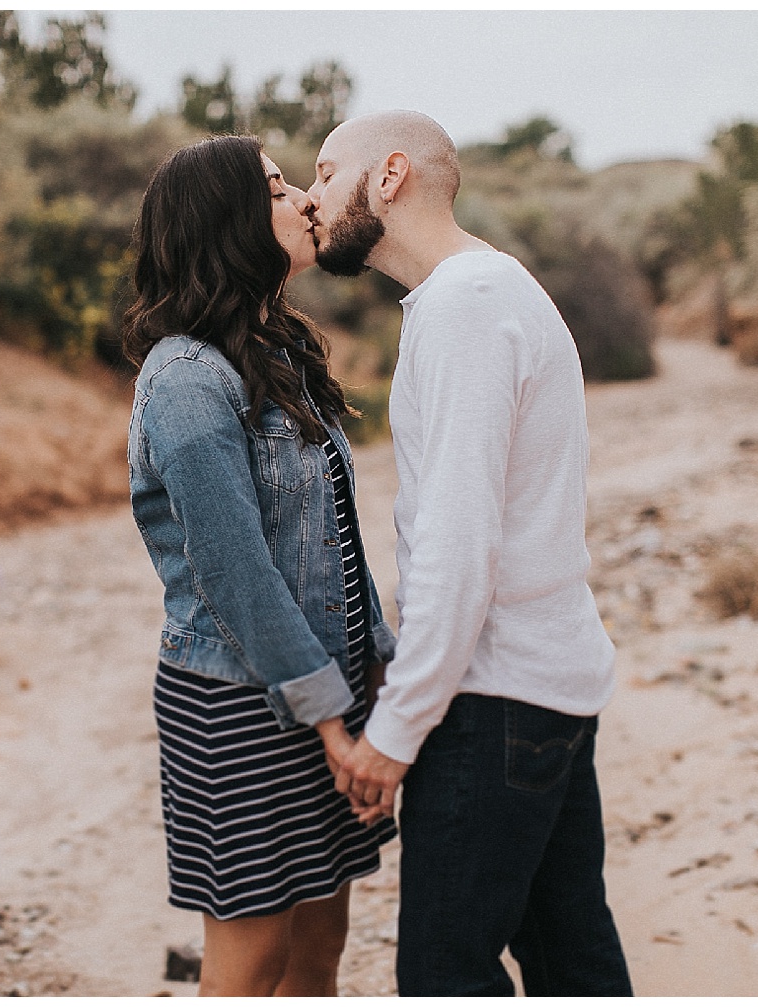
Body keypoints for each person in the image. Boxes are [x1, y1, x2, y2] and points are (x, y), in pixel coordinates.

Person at [306, 110, 634, 996]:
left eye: (328, 172)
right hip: (543, 686)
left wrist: (397, 731)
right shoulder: (495, 291)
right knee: (574, 959)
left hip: (493, 703)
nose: (311, 195)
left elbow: (459, 546)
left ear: (390, 176)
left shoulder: (463, 307)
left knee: (445, 976)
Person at [121, 135, 399, 997]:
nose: (304, 202)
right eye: (279, 190)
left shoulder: (280, 353)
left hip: (327, 685)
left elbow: (336, 542)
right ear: (232, 223)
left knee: (321, 950)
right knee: (251, 965)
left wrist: (378, 674)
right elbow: (235, 572)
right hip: (241, 705)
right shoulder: (186, 381)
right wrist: (331, 725)